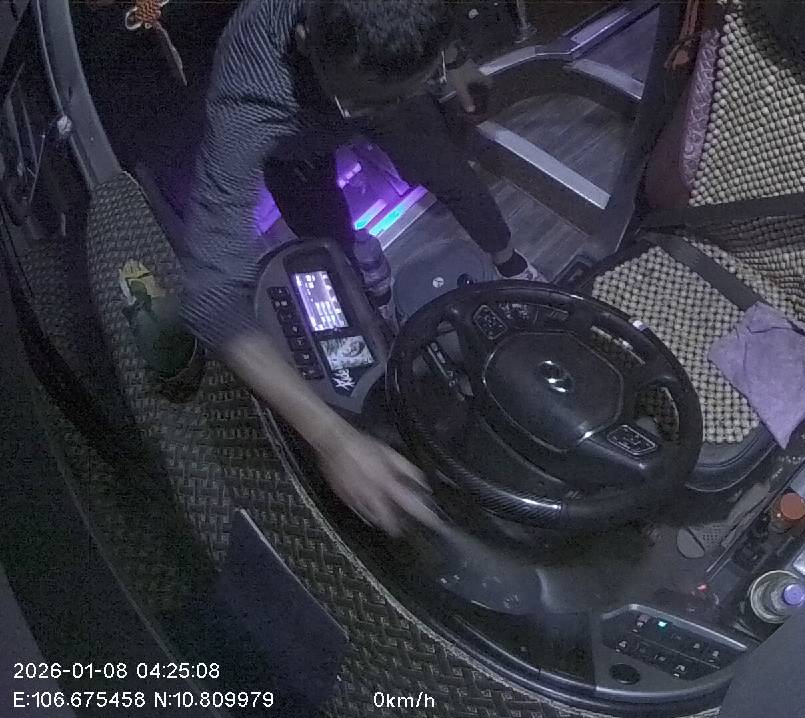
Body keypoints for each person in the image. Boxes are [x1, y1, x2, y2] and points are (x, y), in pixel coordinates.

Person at [180, 0, 543, 535]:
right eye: (371, 101)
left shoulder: (398, 72)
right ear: (305, 39)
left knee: (450, 172)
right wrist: (332, 439)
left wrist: (453, 60)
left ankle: (512, 264)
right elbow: (210, 294)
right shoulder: (249, 91)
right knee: (327, 239)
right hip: (298, 138)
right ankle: (362, 277)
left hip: (376, 83)